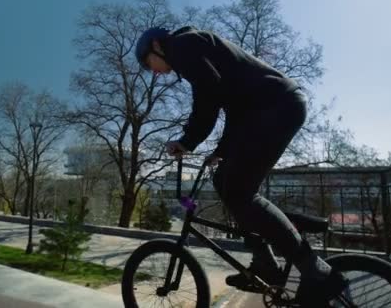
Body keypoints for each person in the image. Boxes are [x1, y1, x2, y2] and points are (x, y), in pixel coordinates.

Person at [135, 26, 347, 306]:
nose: (157, 73)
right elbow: (235, 109)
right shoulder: (197, 49)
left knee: (239, 191)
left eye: (150, 65)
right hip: (267, 110)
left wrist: (187, 141)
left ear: (156, 47)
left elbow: (207, 94)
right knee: (224, 181)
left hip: (277, 107)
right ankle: (265, 261)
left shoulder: (181, 46)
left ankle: (313, 268)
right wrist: (221, 152)